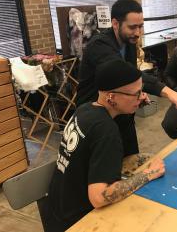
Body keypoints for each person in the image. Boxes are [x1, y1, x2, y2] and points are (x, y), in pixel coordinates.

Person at [43, 59, 166, 232]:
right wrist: (148, 174)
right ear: (111, 96)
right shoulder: (106, 131)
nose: (142, 97)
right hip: (77, 223)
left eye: (142, 91)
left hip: (55, 214)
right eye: (136, 94)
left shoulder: (85, 109)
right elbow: (99, 197)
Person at [76, 0, 177, 155]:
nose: (138, 32)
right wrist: (169, 92)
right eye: (132, 27)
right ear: (115, 23)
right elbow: (125, 73)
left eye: (140, 26)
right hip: (96, 117)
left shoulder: (129, 43)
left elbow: (130, 79)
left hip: (122, 112)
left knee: (132, 159)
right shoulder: (98, 46)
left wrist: (137, 93)